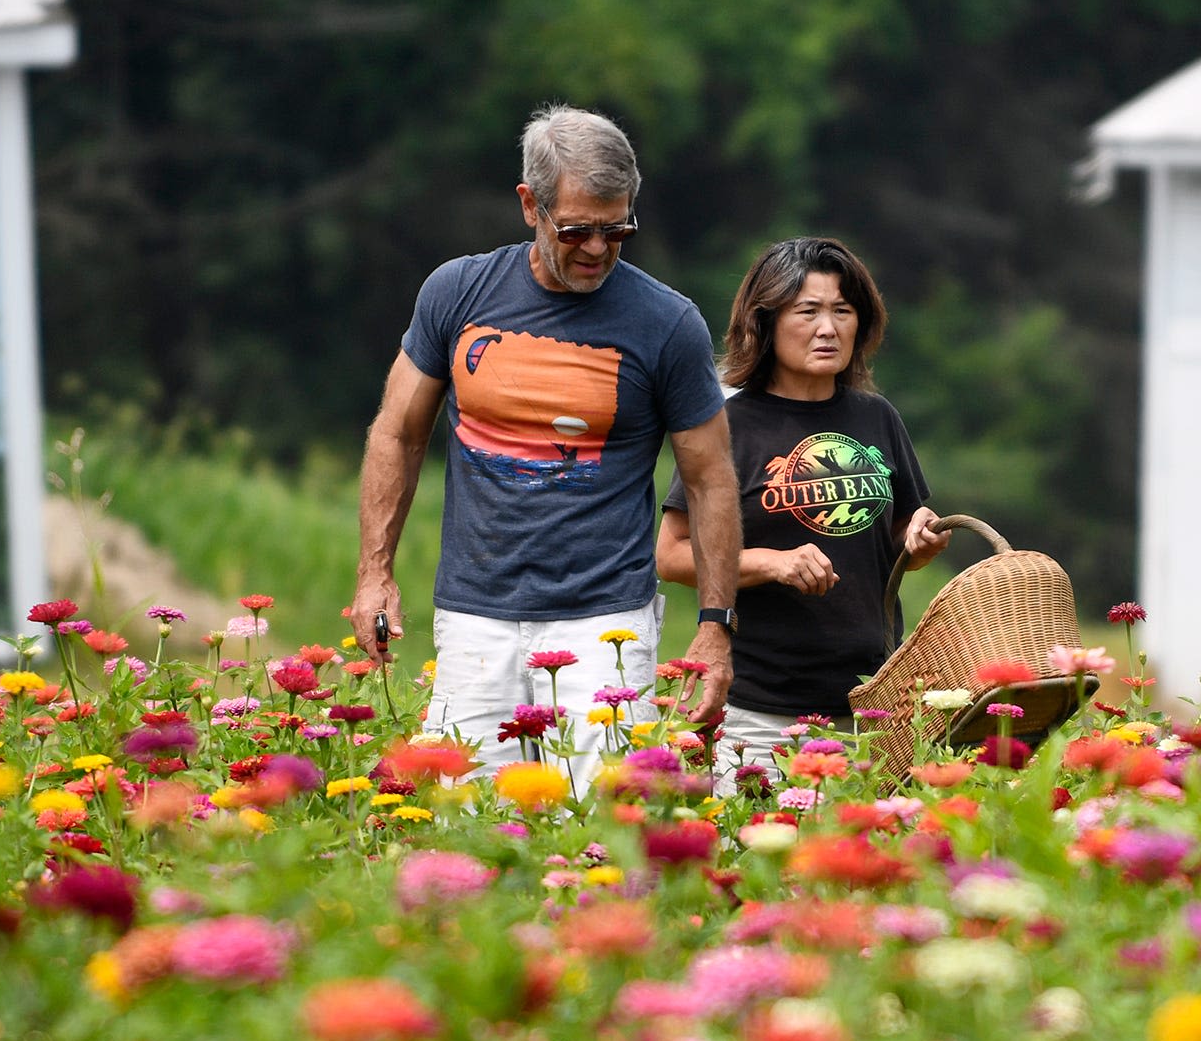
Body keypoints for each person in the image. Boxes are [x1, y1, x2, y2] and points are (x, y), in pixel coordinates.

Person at [347, 105, 740, 775]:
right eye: (578, 229)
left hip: (605, 622)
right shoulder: (457, 293)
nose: (597, 249)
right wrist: (374, 571)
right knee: (467, 820)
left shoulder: (667, 322)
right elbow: (397, 431)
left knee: (604, 830)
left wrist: (715, 625)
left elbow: (710, 480)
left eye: (617, 229)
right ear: (530, 205)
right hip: (476, 613)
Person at [657, 237, 947, 785]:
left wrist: (920, 542)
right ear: (765, 322)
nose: (828, 328)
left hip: (876, 708)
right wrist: (771, 563)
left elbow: (893, 546)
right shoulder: (728, 425)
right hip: (763, 715)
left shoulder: (876, 417)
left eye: (843, 310)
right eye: (808, 311)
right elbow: (671, 555)